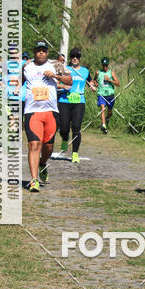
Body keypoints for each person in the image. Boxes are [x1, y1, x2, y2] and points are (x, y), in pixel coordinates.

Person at [23, 40, 72, 192]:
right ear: (34, 51)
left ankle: (43, 163)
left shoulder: (56, 65)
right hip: (32, 111)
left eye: (43, 50)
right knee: (34, 144)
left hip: (50, 112)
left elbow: (69, 80)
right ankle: (33, 180)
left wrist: (56, 76)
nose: (41, 52)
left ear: (47, 52)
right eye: (38, 50)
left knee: (48, 147)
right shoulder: (26, 67)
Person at [57, 47, 94, 164]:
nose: (74, 58)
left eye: (77, 56)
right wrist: (62, 86)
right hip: (64, 100)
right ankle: (64, 138)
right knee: (63, 127)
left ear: (80, 58)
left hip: (79, 102)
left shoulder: (85, 71)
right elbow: (56, 81)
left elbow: (90, 81)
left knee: (77, 127)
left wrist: (93, 86)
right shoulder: (65, 69)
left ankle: (75, 153)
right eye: (72, 56)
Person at [95, 57, 120, 133]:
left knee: (110, 112)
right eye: (103, 65)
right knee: (103, 108)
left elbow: (118, 84)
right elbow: (94, 80)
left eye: (106, 65)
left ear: (108, 65)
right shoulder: (98, 73)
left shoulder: (111, 73)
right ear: (102, 65)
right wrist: (94, 84)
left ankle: (107, 118)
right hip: (101, 94)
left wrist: (110, 80)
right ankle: (104, 126)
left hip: (110, 95)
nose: (105, 67)